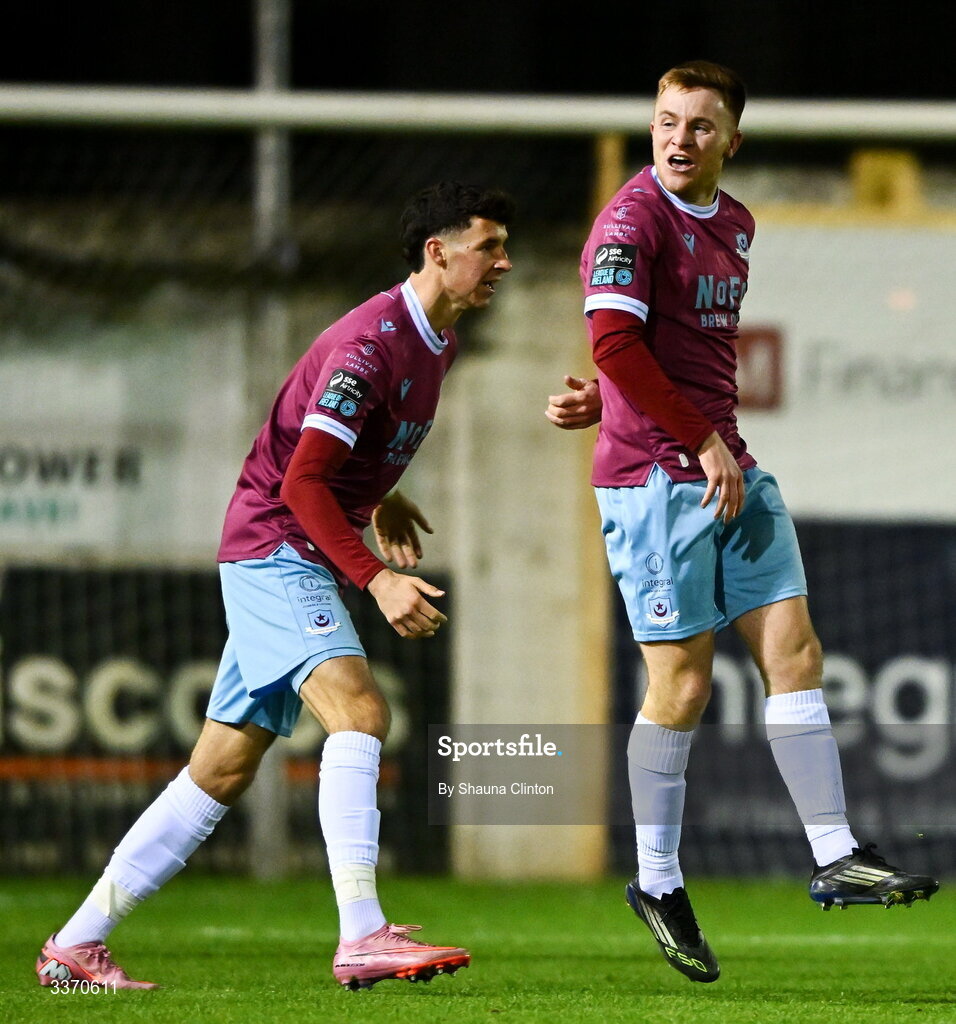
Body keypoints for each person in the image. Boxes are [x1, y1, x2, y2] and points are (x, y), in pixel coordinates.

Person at [36, 180, 515, 992]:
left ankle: (75, 946)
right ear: (439, 252)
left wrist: (380, 494)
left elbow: (337, 455)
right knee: (360, 713)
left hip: (293, 549)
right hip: (277, 547)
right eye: (489, 247)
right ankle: (362, 933)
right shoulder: (372, 345)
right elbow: (300, 483)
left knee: (220, 769)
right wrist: (377, 580)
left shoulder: (439, 342)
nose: (503, 262)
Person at [546, 60, 938, 984]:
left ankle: (836, 854)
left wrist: (626, 408)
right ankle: (655, 880)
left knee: (795, 649)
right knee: (681, 687)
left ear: (733, 140)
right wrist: (664, 428)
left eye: (699, 125)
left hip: (724, 465)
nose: (678, 139)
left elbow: (672, 352)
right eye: (666, 121)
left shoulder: (735, 223)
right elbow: (614, 342)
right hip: (655, 484)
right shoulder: (629, 219)